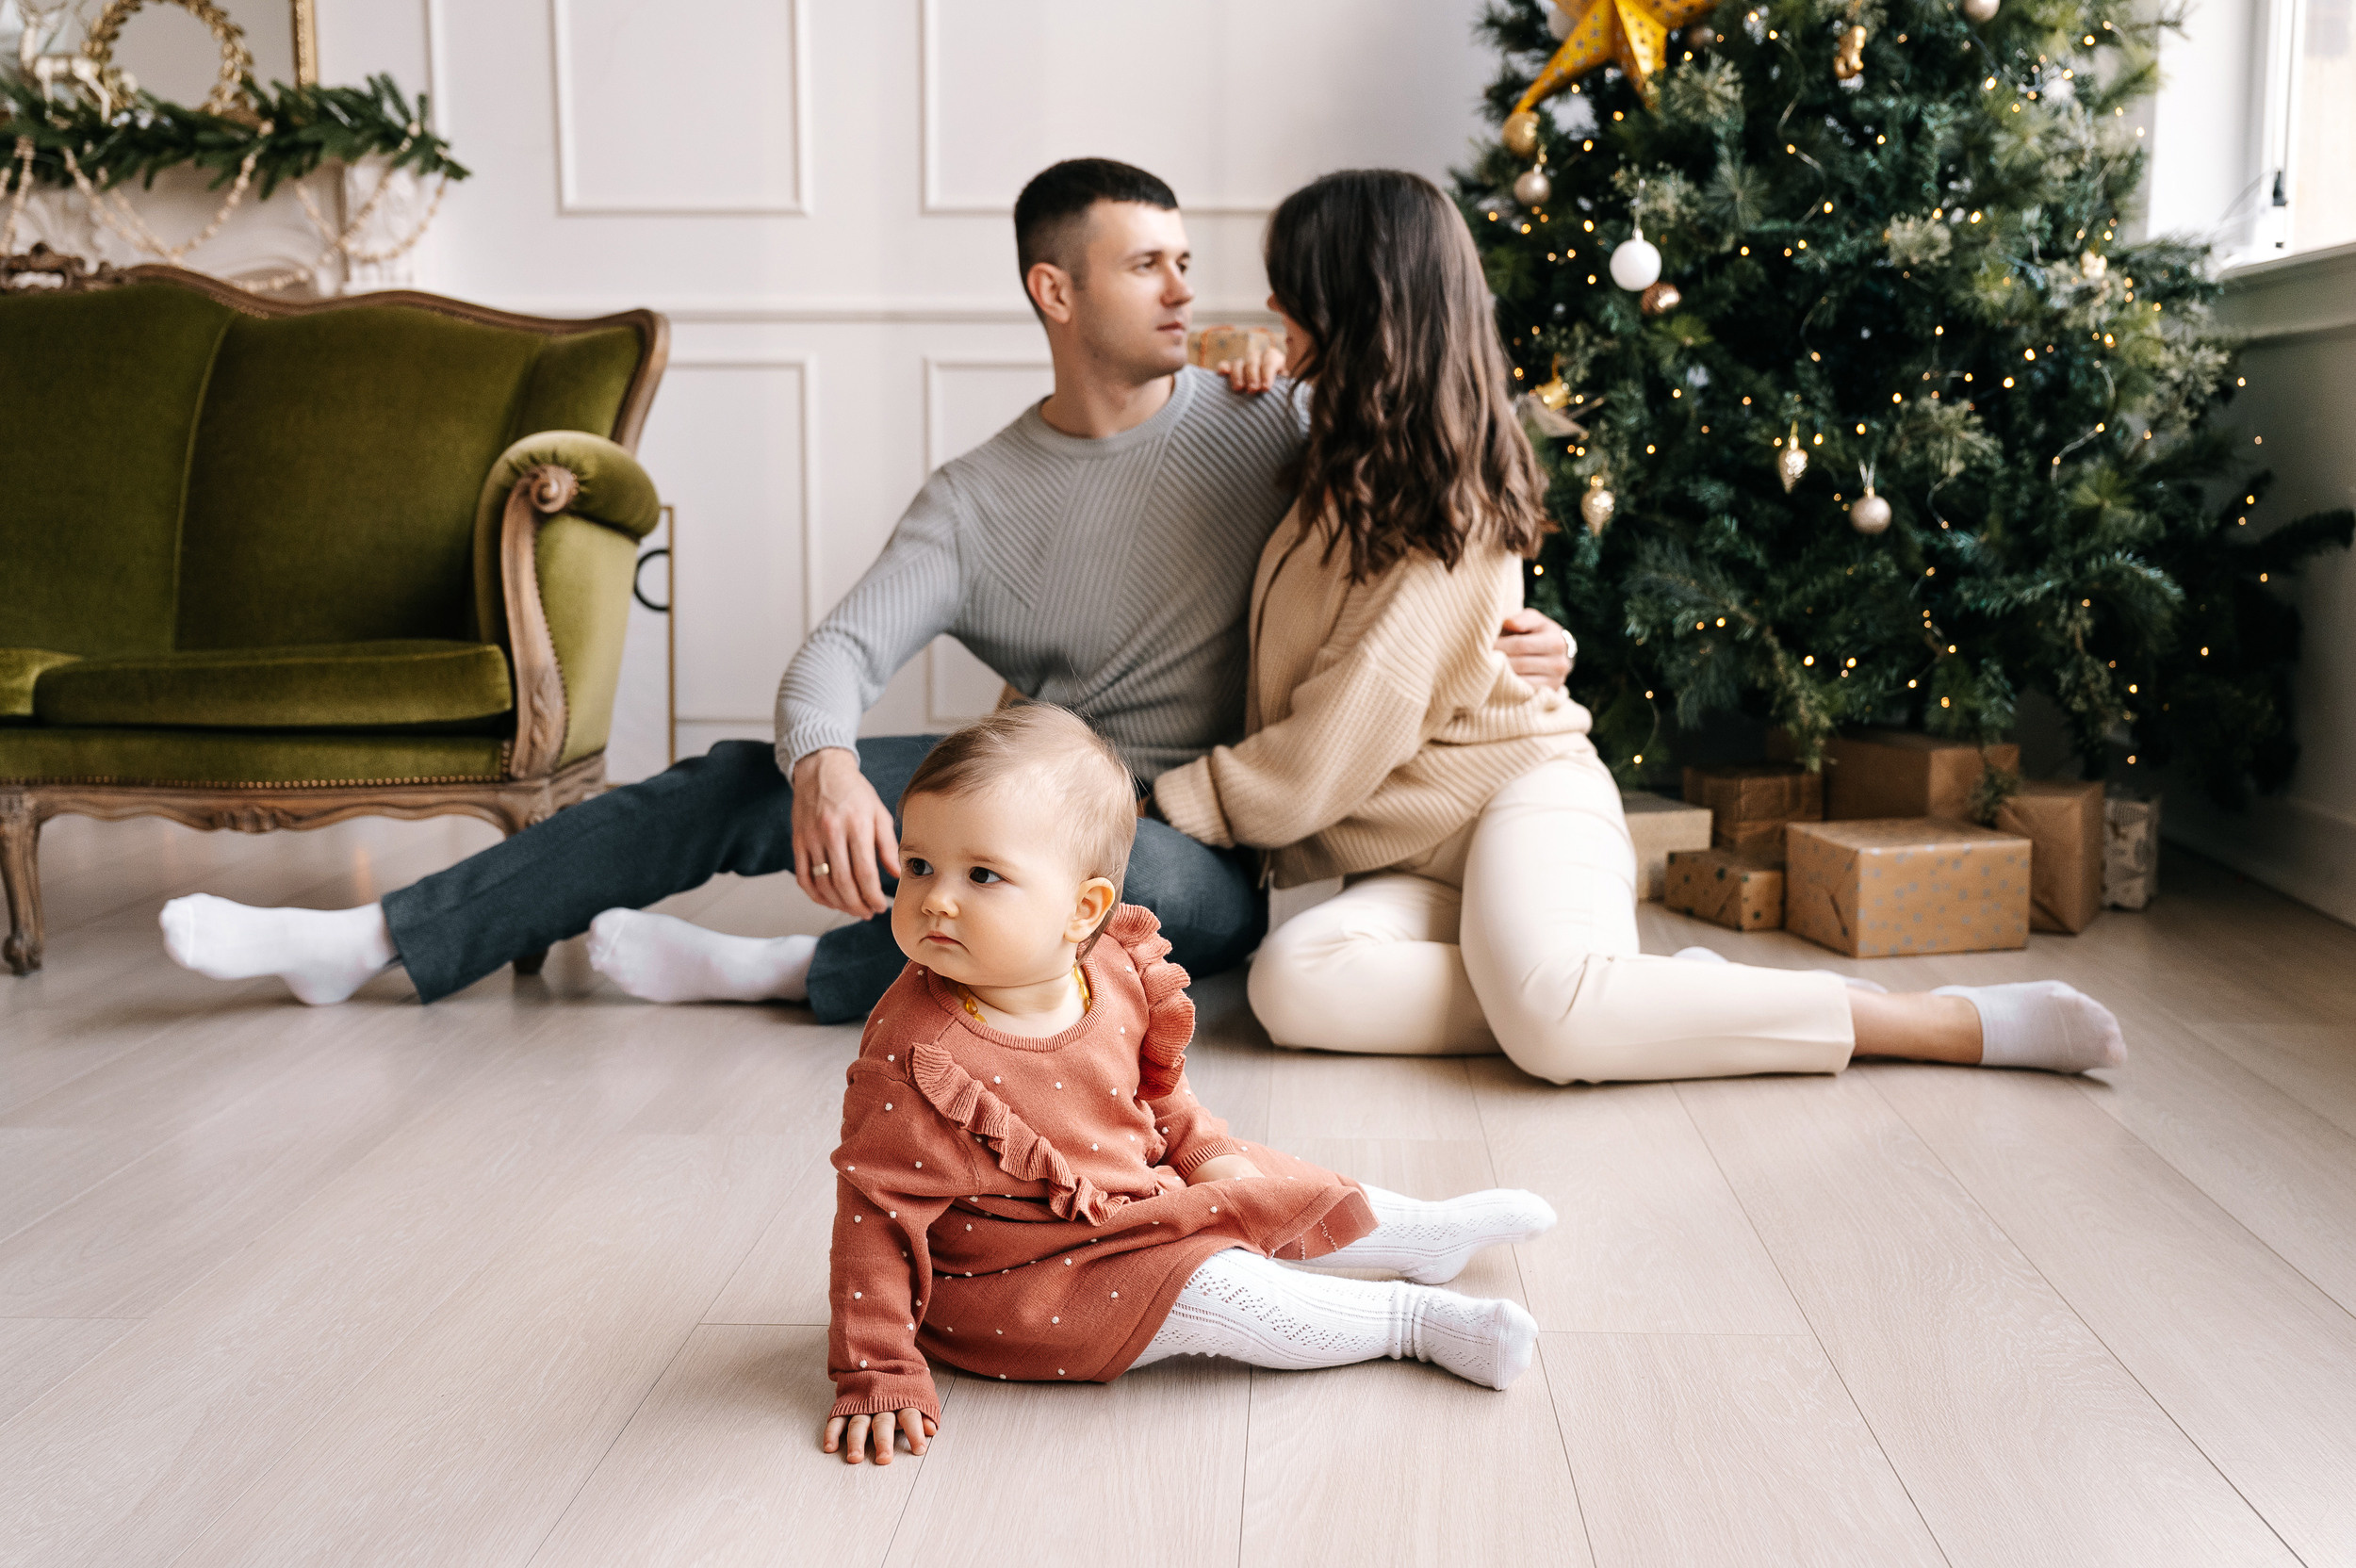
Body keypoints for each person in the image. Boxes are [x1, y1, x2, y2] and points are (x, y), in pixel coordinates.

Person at [155, 157, 1573, 1021]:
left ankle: (783, 979)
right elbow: (834, 652)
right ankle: (376, 943)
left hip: (1199, 842)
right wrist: (823, 763)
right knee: (732, 785)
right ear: (1054, 292)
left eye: (1188, 265)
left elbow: (1434, 528)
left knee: (1092, 885)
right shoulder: (977, 501)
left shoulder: (1273, 423)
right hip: (1047, 781)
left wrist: (1516, 641)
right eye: (1147, 266)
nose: (1186, 295)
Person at [1147, 169, 2129, 1084]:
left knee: (1555, 1031)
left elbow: (1334, 740)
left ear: (1356, 311)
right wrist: (1252, 369)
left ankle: (1932, 1021)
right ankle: (1647, 990)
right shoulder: (1337, 458)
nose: (1269, 306)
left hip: (1520, 802)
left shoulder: (1448, 514)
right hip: (1418, 851)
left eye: (1289, 289)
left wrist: (1169, 800)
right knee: (1293, 983)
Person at [819, 703, 1556, 1465]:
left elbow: (1159, 1097)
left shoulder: (1112, 968)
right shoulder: (918, 1056)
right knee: (1220, 1290)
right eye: (918, 866)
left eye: (982, 875)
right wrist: (877, 1369)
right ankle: (1413, 1323)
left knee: (1265, 1175)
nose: (937, 897)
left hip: (1140, 1191)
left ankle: (1422, 1234)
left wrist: (1208, 1156)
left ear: (1083, 910)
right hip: (1034, 1279)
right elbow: (874, 1218)